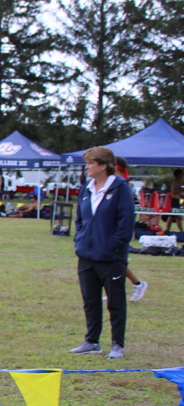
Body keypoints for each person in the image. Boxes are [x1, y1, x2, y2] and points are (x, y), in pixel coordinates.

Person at [69, 147, 135, 359]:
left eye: (91, 163)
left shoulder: (120, 188)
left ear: (104, 166)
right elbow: (80, 219)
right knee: (90, 300)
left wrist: (114, 246)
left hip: (110, 257)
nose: (87, 167)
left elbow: (126, 222)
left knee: (115, 302)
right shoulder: (86, 188)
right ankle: (91, 341)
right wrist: (80, 240)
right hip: (86, 255)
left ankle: (117, 344)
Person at [114, 156, 148, 301]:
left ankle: (138, 284)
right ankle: (115, 290)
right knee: (112, 263)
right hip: (110, 228)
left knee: (117, 263)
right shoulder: (114, 183)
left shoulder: (123, 185)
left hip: (119, 229)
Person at [163, 168, 183, 232]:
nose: (182, 176)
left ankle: (168, 230)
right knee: (177, 217)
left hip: (177, 200)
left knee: (172, 217)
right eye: (181, 174)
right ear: (178, 175)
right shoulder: (175, 182)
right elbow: (173, 191)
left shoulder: (178, 182)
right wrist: (181, 189)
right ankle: (181, 231)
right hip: (174, 201)